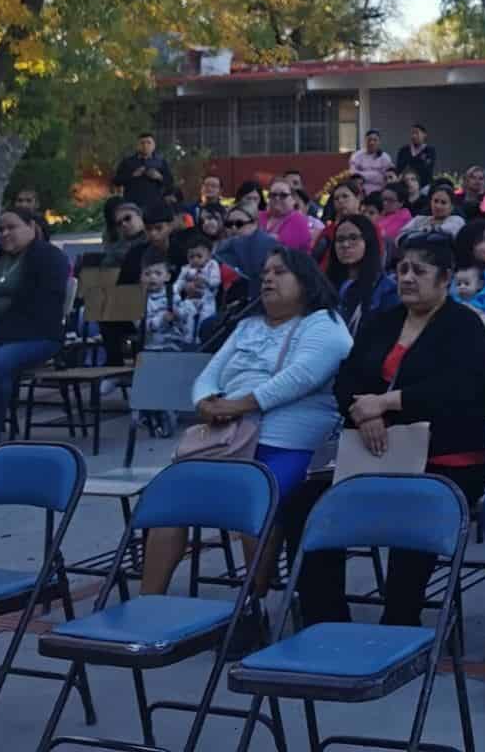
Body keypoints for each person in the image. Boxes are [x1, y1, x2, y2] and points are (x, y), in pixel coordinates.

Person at [289, 231, 485, 625]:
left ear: (445, 278)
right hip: (374, 454)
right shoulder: (382, 322)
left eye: (419, 270)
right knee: (304, 503)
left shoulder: (464, 327)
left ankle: (401, 619)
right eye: (401, 268)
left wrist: (386, 403)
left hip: (444, 457)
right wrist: (364, 414)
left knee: (412, 506)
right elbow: (346, 380)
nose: (406, 277)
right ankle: (327, 619)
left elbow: (460, 389)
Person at [140, 248, 351, 595]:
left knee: (253, 497)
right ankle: (146, 602)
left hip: (288, 443)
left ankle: (250, 607)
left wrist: (239, 404)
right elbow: (209, 374)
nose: (268, 278)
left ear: (306, 280)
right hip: (229, 436)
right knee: (168, 499)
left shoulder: (324, 324)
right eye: (265, 272)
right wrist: (206, 402)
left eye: (280, 272)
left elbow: (300, 378)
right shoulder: (248, 326)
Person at [0, 209, 70, 444]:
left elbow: (44, 304)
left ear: (31, 227)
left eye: (12, 227)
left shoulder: (49, 258)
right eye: (1, 229)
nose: (5, 233)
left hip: (36, 335)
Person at [326, 213, 399, 335]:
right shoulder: (325, 285)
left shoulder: (387, 290)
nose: (345, 245)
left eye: (353, 238)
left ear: (368, 241)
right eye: (340, 240)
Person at [111, 132, 174, 216]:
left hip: (155, 205)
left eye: (148, 142)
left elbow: (170, 181)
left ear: (154, 145)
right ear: (137, 145)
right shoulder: (128, 162)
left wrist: (159, 177)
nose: (145, 145)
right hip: (133, 204)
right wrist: (132, 175)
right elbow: (116, 180)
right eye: (142, 143)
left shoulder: (161, 162)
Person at [260, 177, 314, 251]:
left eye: (283, 195)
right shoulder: (259, 216)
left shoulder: (299, 220)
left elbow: (288, 250)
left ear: (293, 199)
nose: (277, 198)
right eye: (273, 194)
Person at [395, 123, 436, 190]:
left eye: (417, 133)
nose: (414, 136)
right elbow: (399, 169)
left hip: (424, 186)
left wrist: (409, 166)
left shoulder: (430, 150)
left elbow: (427, 169)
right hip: (406, 186)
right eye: (412, 133)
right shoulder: (403, 150)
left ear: (424, 134)